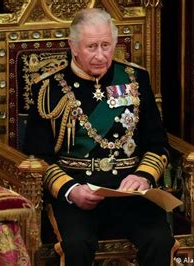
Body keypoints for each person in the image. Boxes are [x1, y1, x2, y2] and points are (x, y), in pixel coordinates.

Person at [24, 8, 174, 265]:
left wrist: (143, 176)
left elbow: (158, 143)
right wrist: (71, 190)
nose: (101, 55)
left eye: (106, 45)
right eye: (91, 46)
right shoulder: (48, 89)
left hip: (131, 194)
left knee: (159, 240)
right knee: (76, 245)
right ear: (73, 46)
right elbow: (39, 157)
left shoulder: (135, 79)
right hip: (79, 194)